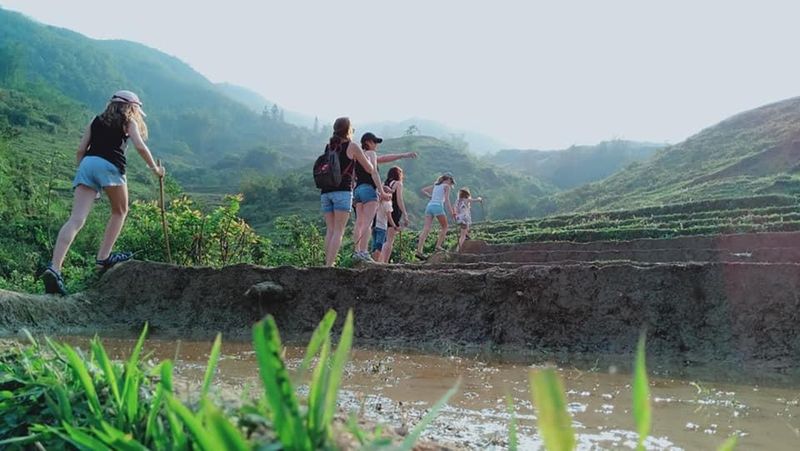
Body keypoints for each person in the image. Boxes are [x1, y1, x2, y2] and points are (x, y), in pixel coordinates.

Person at [41, 90, 165, 295]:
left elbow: (81, 149)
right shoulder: (128, 122)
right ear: (132, 107)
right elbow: (141, 147)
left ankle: (54, 268)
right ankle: (103, 258)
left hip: (87, 164)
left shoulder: (95, 120)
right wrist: (155, 169)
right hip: (110, 165)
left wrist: (85, 174)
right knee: (120, 211)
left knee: (76, 219)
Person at [320, 118, 381, 267]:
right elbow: (370, 169)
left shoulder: (329, 146)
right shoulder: (352, 146)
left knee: (330, 230)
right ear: (348, 130)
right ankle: (329, 265)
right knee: (338, 231)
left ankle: (326, 264)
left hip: (325, 191)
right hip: (342, 192)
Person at [351, 132, 416, 262]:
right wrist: (382, 192)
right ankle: (363, 252)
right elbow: (374, 172)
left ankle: (356, 250)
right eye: (375, 142)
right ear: (368, 142)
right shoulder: (371, 154)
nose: (376, 145)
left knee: (359, 222)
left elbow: (354, 176)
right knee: (368, 223)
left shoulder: (357, 156)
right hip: (369, 190)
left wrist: (402, 155)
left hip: (358, 190)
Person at [415, 172, 456, 260]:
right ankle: (438, 246)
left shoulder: (436, 185)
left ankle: (419, 251)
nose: (450, 183)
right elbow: (447, 200)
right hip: (438, 206)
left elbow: (423, 190)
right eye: (451, 181)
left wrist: (430, 196)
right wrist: (452, 212)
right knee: (445, 227)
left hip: (429, 206)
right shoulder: (446, 186)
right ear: (448, 179)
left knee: (426, 228)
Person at [380, 166, 410, 263]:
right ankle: (385, 261)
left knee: (384, 238)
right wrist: (405, 213)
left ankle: (380, 259)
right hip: (394, 210)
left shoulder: (384, 183)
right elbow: (399, 200)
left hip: (383, 209)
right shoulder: (398, 184)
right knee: (390, 239)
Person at [371, 196, 395, 261]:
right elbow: (389, 217)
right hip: (382, 227)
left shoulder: (377, 202)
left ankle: (373, 259)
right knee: (379, 245)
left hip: (374, 225)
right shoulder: (387, 203)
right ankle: (376, 261)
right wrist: (394, 226)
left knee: (374, 244)